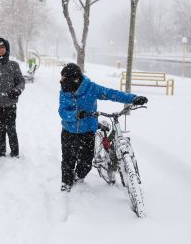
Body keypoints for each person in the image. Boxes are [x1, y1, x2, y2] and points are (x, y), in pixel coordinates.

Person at [58, 63, 148, 192]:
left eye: (65, 78)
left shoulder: (91, 88)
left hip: (87, 131)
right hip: (69, 131)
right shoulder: (64, 92)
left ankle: (78, 177)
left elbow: (111, 94)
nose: (62, 81)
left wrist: (133, 98)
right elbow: (62, 112)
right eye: (62, 77)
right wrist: (75, 114)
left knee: (86, 164)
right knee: (68, 160)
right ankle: (66, 182)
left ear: (75, 79)